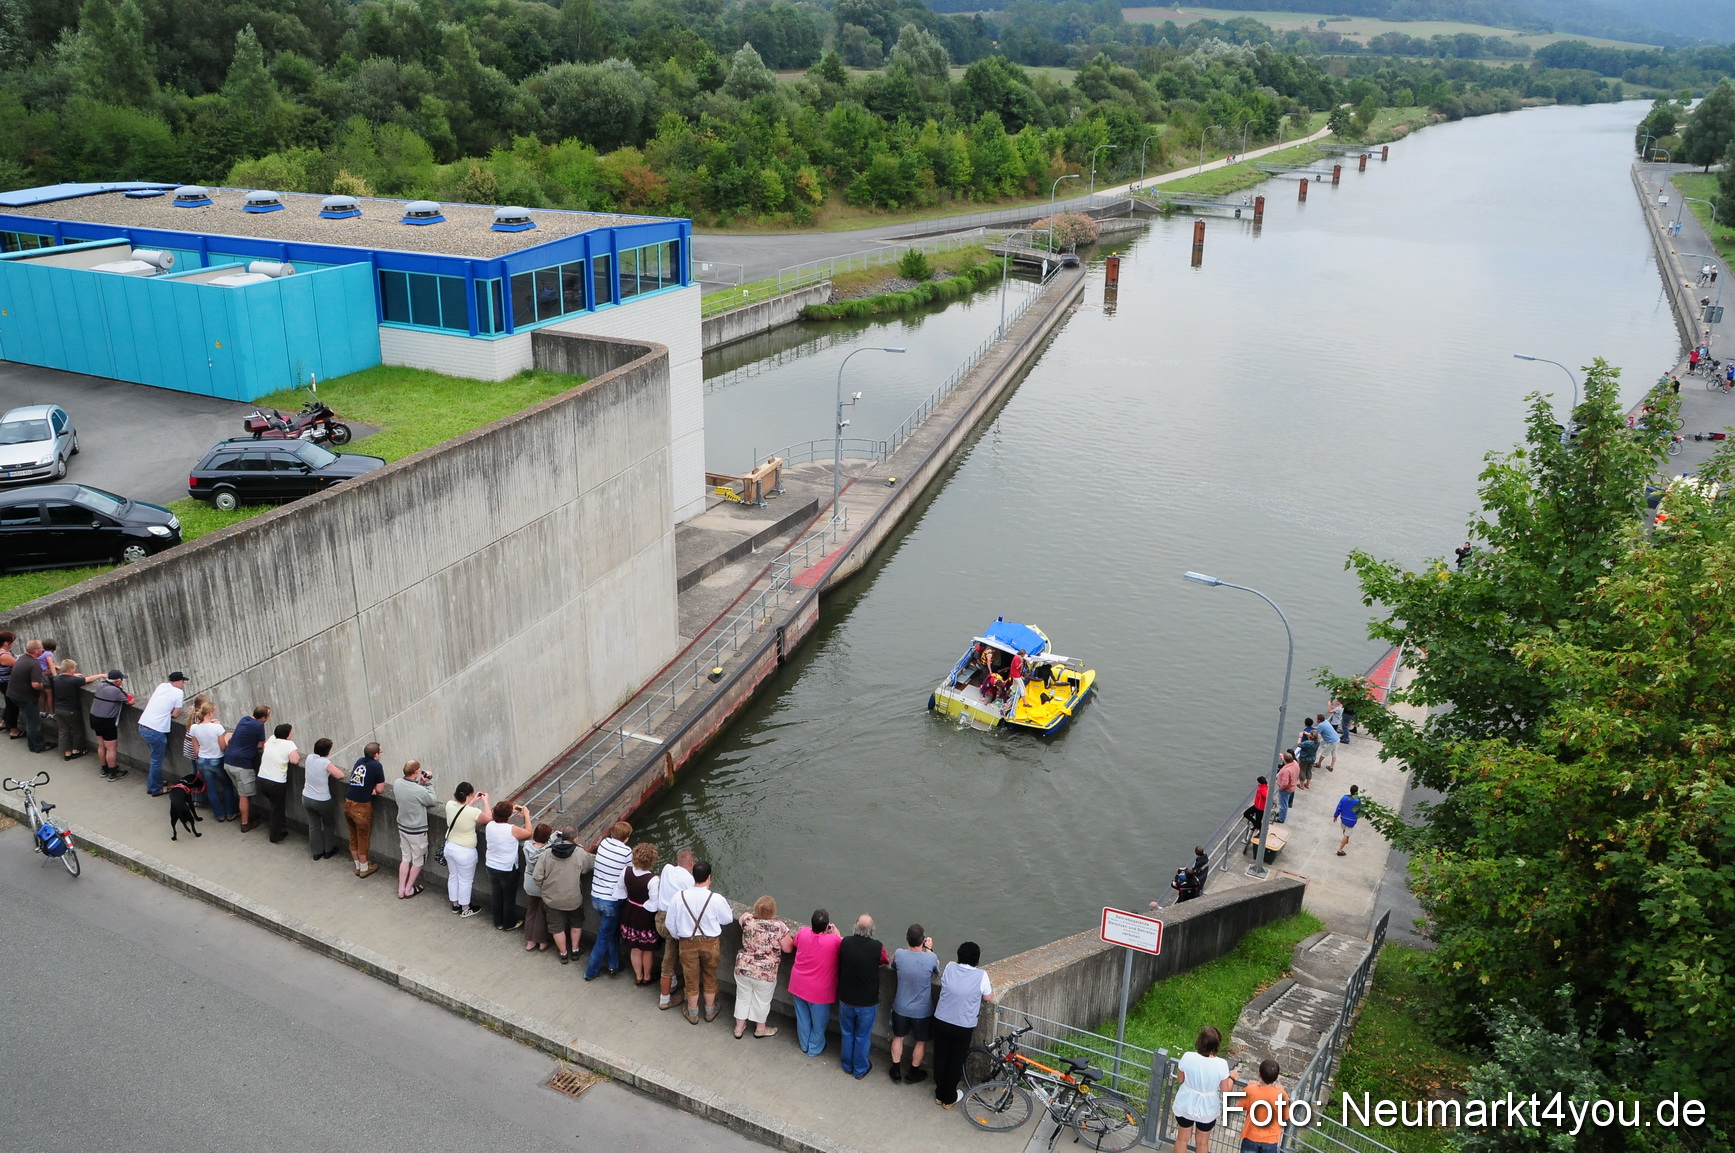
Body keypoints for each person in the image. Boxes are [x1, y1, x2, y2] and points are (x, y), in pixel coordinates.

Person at [665, 860, 730, 1023]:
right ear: (709, 877)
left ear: (693, 876)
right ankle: (709, 1010)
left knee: (691, 977)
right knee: (710, 975)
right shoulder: (716, 899)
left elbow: (669, 923)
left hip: (687, 942)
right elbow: (727, 919)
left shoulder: (679, 897)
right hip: (711, 943)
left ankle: (692, 1012)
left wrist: (678, 936)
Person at [932, 941, 993, 1109]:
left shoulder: (950, 967)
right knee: (955, 1060)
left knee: (940, 1057)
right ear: (977, 959)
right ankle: (949, 1098)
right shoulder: (981, 975)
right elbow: (988, 997)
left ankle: (939, 1094)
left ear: (959, 956)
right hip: (963, 1025)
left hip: (941, 1020)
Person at [784, 908, 844, 1056]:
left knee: (802, 1018)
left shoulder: (803, 932)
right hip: (820, 991)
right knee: (819, 1022)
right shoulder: (834, 940)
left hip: (798, 984)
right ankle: (814, 1048)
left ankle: (804, 1044)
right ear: (826, 926)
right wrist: (837, 933)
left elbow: (796, 941)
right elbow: (844, 948)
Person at [837, 914, 889, 1079]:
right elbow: (885, 960)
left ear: (855, 927)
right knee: (862, 1036)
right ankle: (859, 1068)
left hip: (846, 998)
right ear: (872, 930)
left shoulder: (845, 943)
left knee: (847, 1032)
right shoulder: (877, 946)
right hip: (866, 1002)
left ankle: (846, 1064)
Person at [531, 829, 591, 964]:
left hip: (552, 899)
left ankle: (563, 953)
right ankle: (575, 950)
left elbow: (537, 876)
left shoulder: (547, 853)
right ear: (575, 838)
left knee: (556, 927)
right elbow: (587, 868)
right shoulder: (579, 853)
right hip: (573, 898)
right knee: (576, 923)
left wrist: (545, 889)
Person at [584, 821, 634, 981]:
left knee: (609, 932)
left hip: (596, 896)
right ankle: (590, 971)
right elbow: (631, 873)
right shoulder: (627, 853)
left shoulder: (604, 843)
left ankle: (614, 965)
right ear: (626, 838)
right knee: (603, 937)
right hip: (611, 900)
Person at [733, 896, 788, 1038]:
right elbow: (788, 948)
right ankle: (760, 1029)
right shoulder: (779, 927)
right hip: (766, 972)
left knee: (742, 997)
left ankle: (739, 1028)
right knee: (762, 1000)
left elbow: (742, 916)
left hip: (743, 967)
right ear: (773, 911)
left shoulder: (748, 921)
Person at [1172, 1026, 1233, 1153]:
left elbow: (1180, 1080)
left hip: (1186, 1102)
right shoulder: (1221, 1064)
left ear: (1200, 1041)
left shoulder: (1187, 1057)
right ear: (1217, 1044)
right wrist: (1232, 1078)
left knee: (1182, 1138)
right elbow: (1225, 1092)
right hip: (1208, 1107)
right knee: (1202, 1142)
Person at [890, 925, 938, 1084]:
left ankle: (896, 1070)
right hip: (922, 1011)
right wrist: (929, 950)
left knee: (898, 1038)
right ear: (923, 940)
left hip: (900, 1007)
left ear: (907, 939)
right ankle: (913, 1072)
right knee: (921, 1041)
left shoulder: (899, 954)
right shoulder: (930, 958)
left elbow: (893, 966)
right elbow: (936, 970)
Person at [390, 759, 440, 898]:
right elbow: (431, 800)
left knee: (405, 858)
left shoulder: (397, 783)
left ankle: (401, 890)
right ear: (417, 772)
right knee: (418, 861)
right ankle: (409, 889)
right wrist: (428, 783)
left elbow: (411, 791)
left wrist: (420, 784)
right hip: (417, 831)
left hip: (403, 827)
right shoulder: (418, 790)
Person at [654, 847, 696, 1010]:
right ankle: (665, 1000)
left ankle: (673, 982)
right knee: (668, 963)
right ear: (691, 865)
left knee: (668, 954)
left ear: (677, 861)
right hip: (672, 922)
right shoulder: (690, 881)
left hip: (659, 918)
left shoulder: (666, 869)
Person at [484, 800, 533, 930]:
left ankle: (498, 922)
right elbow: (529, 832)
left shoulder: (489, 825)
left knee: (496, 895)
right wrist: (526, 815)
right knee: (508, 898)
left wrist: (510, 810)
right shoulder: (512, 829)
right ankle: (508, 923)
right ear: (507, 816)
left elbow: (499, 816)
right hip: (507, 868)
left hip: (491, 865)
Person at [443, 782, 489, 916]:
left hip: (450, 847)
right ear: (469, 795)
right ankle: (465, 908)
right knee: (465, 881)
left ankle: (455, 905)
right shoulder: (474, 812)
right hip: (465, 851)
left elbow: (461, 810)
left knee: (453, 876)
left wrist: (472, 800)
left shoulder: (449, 805)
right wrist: (485, 801)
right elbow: (488, 818)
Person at [138, 671, 186, 796]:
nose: (183, 684)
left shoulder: (161, 686)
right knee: (156, 761)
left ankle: (152, 784)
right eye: (182, 681)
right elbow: (176, 714)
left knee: (154, 759)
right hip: (155, 731)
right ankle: (156, 788)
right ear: (177, 682)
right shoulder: (178, 693)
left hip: (143, 726)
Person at [620, 842, 662, 984]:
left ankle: (638, 976)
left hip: (630, 911)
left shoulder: (626, 871)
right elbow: (654, 903)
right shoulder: (653, 879)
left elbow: (621, 891)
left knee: (635, 947)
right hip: (644, 915)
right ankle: (647, 976)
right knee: (647, 948)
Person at [225, 705, 270, 832]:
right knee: (244, 795)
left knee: (243, 792)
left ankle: (247, 816)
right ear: (263, 718)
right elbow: (262, 744)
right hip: (241, 765)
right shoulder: (259, 725)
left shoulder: (244, 719)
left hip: (228, 761)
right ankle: (245, 823)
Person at [343, 741, 386, 876]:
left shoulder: (359, 761)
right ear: (376, 754)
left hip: (348, 802)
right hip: (361, 807)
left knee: (353, 835)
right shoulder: (376, 766)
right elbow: (380, 789)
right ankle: (364, 868)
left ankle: (357, 866)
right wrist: (372, 789)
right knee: (363, 837)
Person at [188, 702, 235, 823]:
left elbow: (196, 749)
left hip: (203, 759)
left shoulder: (194, 728)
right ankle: (230, 813)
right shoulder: (217, 728)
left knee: (211, 787)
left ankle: (219, 815)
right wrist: (227, 736)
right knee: (227, 785)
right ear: (210, 713)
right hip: (217, 759)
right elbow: (223, 747)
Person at [256, 722, 300, 843]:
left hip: (262, 778)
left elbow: (265, 748)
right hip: (275, 783)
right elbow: (295, 760)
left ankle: (277, 828)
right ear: (287, 735)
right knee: (277, 810)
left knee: (274, 806)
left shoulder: (271, 739)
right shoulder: (289, 744)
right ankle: (275, 835)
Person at [301, 737, 345, 859]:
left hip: (306, 797)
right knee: (328, 823)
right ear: (328, 751)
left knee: (313, 824)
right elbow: (340, 775)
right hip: (322, 800)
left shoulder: (309, 757)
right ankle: (328, 850)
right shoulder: (325, 763)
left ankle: (316, 852)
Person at [51, 659, 101, 761]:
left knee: (63, 731)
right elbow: (89, 679)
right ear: (70, 670)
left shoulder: (56, 679)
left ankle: (66, 752)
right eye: (74, 669)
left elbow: (65, 679)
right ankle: (76, 750)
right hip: (71, 709)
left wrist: (73, 676)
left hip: (58, 708)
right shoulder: (74, 681)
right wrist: (102, 675)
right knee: (76, 730)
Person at [1234, 1057, 1286, 1153]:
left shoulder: (1250, 1090)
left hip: (1251, 1136)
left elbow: (1239, 1107)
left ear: (1259, 1075)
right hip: (1270, 1139)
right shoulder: (1281, 1094)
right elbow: (1286, 1116)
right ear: (1277, 1077)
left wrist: (1250, 1086)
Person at [5, 640, 48, 754]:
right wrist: (42, 686)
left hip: (14, 695)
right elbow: (35, 684)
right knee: (33, 723)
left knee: (29, 721)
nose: (43, 650)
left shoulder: (22, 659)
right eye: (41, 648)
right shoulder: (34, 664)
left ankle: (32, 744)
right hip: (26, 698)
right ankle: (38, 746)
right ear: (36, 651)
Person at [89, 670, 131, 780]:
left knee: (101, 745)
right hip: (107, 721)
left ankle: (104, 769)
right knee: (111, 748)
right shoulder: (116, 691)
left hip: (94, 717)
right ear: (117, 682)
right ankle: (113, 773)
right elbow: (130, 701)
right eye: (121, 679)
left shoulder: (100, 685)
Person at [520, 823, 555, 952]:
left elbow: (540, 844)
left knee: (531, 911)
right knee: (541, 913)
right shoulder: (548, 851)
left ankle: (530, 941)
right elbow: (547, 846)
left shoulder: (527, 846)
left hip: (529, 882)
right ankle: (541, 941)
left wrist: (551, 837)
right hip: (541, 883)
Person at [1333, 785, 1362, 856]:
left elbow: (1338, 807)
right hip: (1351, 820)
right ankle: (1340, 850)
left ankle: (1346, 839)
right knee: (1346, 834)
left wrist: (1335, 816)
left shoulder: (1344, 798)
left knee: (1345, 830)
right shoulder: (1357, 801)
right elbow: (1359, 810)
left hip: (1343, 818)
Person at [1274, 751, 1299, 824]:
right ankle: (1282, 813)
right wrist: (1282, 757)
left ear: (1285, 760)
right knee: (1285, 802)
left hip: (1285, 789)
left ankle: (1281, 818)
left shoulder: (1286, 770)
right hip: (1292, 786)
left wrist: (1281, 787)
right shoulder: (1295, 764)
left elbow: (1285, 783)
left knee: (1283, 804)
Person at [1296, 723, 1319, 790]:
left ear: (1310, 737)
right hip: (1312, 758)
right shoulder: (1317, 742)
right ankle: (1307, 784)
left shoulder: (1307, 743)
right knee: (1309, 770)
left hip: (1304, 758)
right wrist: (1307, 733)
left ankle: (1302, 785)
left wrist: (1300, 737)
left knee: (1302, 771)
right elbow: (1313, 736)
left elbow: (1299, 744)